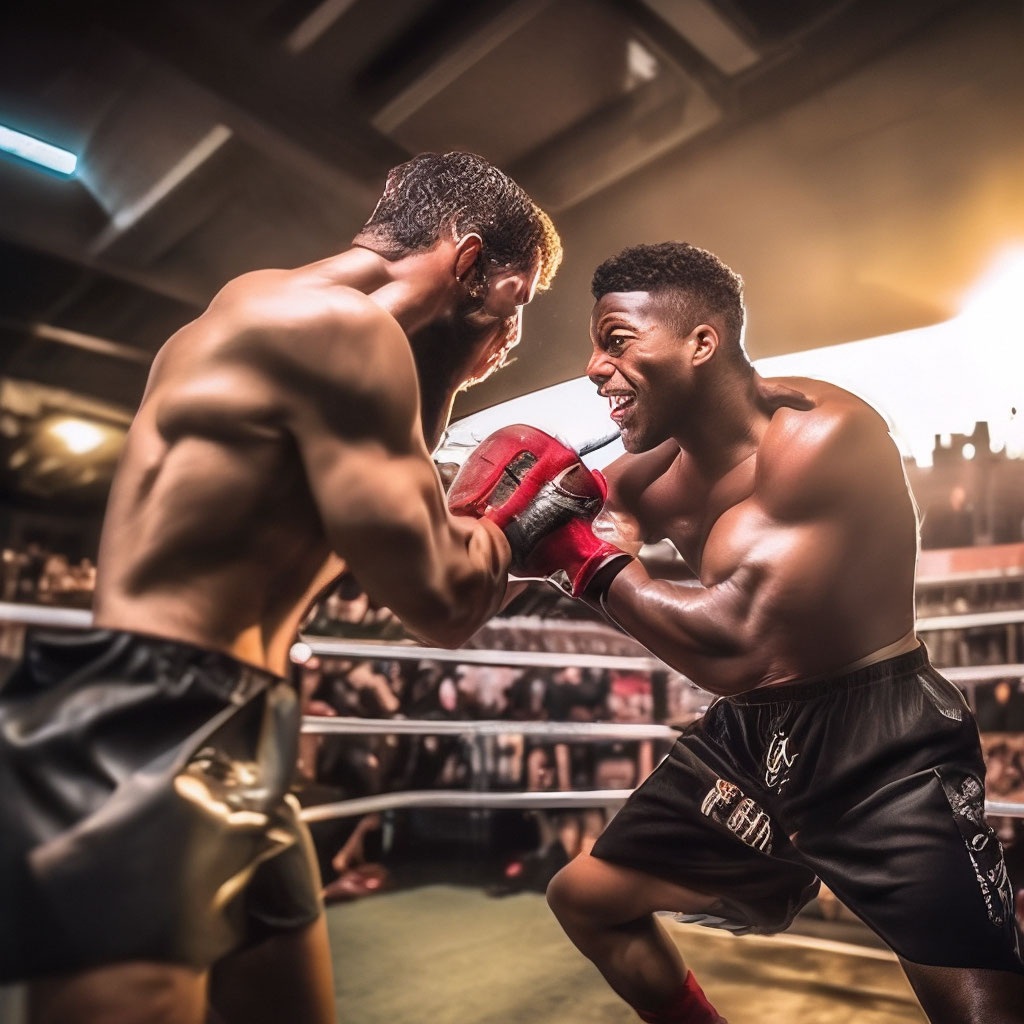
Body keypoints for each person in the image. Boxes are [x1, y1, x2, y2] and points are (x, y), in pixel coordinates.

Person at [0, 151, 561, 1024]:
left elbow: (404, 514)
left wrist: (456, 370)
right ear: (468, 262)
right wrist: (529, 523)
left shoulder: (281, 311)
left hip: (236, 724)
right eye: (515, 301)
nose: (514, 336)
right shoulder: (341, 333)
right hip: (150, 723)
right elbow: (442, 598)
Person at [449, 241, 1024, 1023]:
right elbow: (539, 546)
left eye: (617, 341)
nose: (592, 367)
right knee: (588, 899)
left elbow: (738, 644)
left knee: (984, 1011)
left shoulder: (823, 438)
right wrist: (479, 527)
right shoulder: (656, 469)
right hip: (751, 740)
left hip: (879, 741)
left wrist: (581, 557)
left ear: (701, 342)